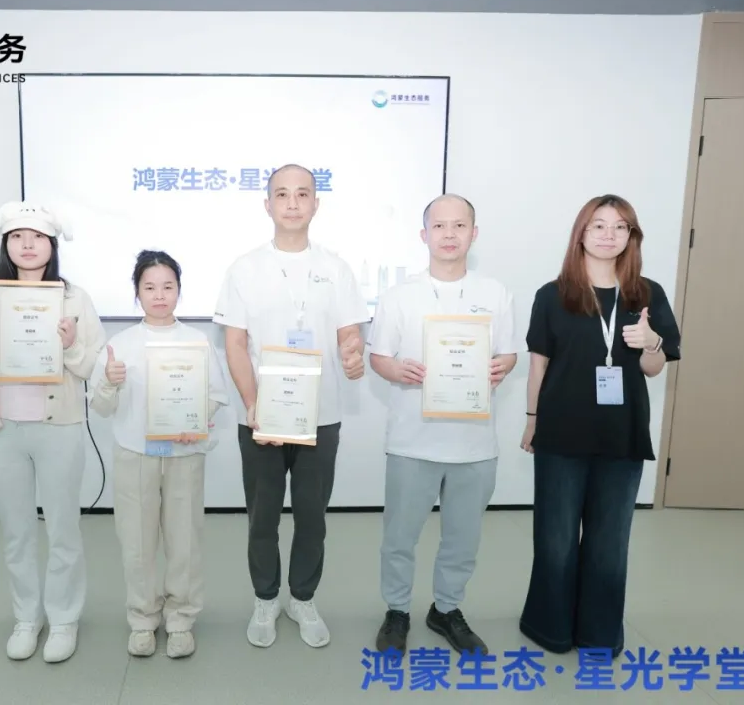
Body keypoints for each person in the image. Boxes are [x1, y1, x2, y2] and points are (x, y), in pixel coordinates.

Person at [213, 163, 370, 649]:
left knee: (312, 517)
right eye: (282, 194)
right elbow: (235, 344)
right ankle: (265, 598)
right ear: (268, 204)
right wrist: (252, 402)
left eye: (303, 193)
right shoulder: (244, 268)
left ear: (316, 204)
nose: (293, 203)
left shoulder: (336, 268)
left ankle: (302, 597)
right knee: (262, 517)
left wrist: (353, 353)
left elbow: (350, 333)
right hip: (261, 416)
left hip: (321, 416)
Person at [519, 194, 681, 658]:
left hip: (621, 436)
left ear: (632, 236)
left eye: (620, 227)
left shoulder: (647, 294)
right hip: (561, 433)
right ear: (582, 234)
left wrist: (651, 342)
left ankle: (599, 633)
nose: (609, 235)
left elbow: (654, 369)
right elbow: (538, 366)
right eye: (599, 225)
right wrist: (531, 420)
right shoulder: (552, 295)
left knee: (609, 543)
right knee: (556, 541)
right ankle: (549, 627)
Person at [0, 202, 104, 663]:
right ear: (6, 245)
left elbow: (92, 365)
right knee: (16, 531)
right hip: (3, 429)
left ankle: (63, 618)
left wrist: (70, 345)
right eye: (17, 236)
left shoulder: (75, 299)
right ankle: (26, 617)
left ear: (52, 245)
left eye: (37, 237)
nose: (28, 245)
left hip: (60, 428)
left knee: (62, 528)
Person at [368, 194, 520, 656]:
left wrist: (503, 366)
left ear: (474, 234)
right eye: (439, 226)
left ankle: (447, 609)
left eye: (459, 226)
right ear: (424, 235)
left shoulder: (495, 293)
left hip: (474, 445)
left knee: (462, 539)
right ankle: (397, 610)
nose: (449, 234)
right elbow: (379, 357)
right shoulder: (399, 296)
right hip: (412, 441)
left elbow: (509, 352)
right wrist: (397, 370)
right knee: (400, 538)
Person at [89, 250, 229, 659]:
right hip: (135, 454)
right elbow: (101, 407)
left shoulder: (197, 341)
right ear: (137, 293)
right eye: (149, 287)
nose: (160, 295)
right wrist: (109, 381)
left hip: (184, 453)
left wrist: (195, 420)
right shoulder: (120, 345)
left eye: (168, 286)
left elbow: (215, 395)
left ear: (179, 291)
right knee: (136, 541)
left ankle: (181, 618)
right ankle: (142, 618)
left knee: (185, 539)